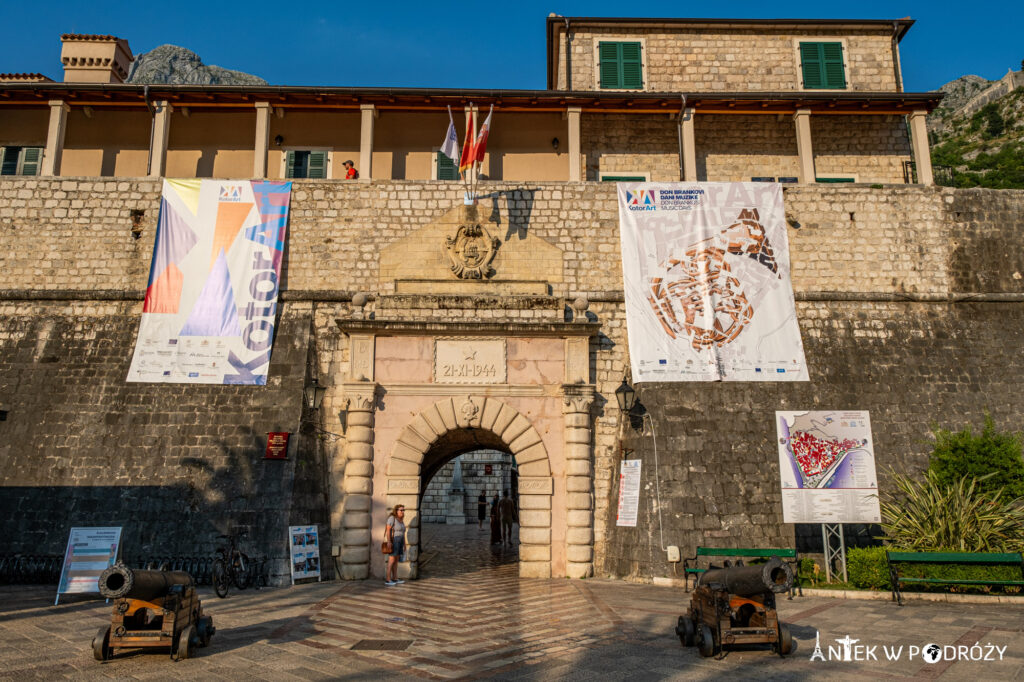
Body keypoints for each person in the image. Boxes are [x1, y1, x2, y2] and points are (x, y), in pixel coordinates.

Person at [384, 505, 406, 586]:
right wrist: (389, 541)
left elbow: (403, 533)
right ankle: (388, 579)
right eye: (401, 510)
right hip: (395, 540)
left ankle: (395, 578)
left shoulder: (401, 520)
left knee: (396, 561)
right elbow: (388, 529)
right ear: (396, 510)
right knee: (391, 560)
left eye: (404, 510)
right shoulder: (392, 518)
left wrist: (404, 545)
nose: (403, 512)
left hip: (400, 541)